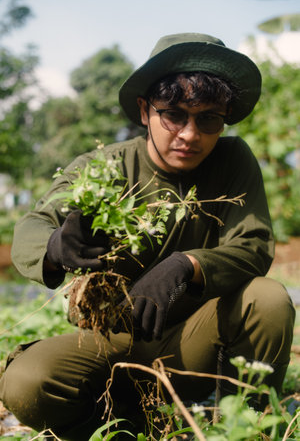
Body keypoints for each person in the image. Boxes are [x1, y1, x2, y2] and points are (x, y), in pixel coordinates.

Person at [0, 33, 295, 440]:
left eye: (208, 118)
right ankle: (123, 425)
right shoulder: (103, 167)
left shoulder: (232, 160)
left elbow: (253, 245)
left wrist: (186, 265)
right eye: (174, 115)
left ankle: (247, 424)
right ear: (145, 111)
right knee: (26, 381)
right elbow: (33, 227)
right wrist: (54, 248)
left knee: (269, 297)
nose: (190, 134)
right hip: (110, 345)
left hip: (195, 344)